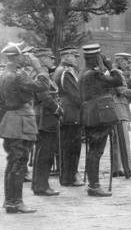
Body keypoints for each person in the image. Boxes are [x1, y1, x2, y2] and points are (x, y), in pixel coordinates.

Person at [0, 42, 53, 213]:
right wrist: (38, 67)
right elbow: (44, 85)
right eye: (24, 54)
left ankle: (10, 200)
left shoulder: (5, 73)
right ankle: (15, 202)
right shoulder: (18, 75)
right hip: (21, 122)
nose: (27, 57)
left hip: (10, 121)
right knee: (19, 163)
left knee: (13, 162)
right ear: (16, 57)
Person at [79, 44, 125, 197]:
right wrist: (110, 65)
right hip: (99, 117)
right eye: (100, 58)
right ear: (96, 59)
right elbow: (118, 80)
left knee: (93, 151)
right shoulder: (95, 75)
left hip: (91, 116)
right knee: (96, 152)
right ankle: (94, 186)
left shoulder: (84, 72)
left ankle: (93, 185)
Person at [31, 48, 64, 196]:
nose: (53, 61)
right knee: (45, 153)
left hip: (46, 117)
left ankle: (40, 185)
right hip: (46, 117)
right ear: (42, 59)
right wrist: (58, 109)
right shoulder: (40, 75)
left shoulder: (42, 74)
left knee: (44, 152)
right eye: (50, 58)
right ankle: (41, 186)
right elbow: (44, 96)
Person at [53, 46, 85, 187]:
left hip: (67, 112)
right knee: (72, 146)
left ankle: (67, 176)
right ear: (66, 57)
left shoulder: (60, 70)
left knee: (67, 146)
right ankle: (70, 177)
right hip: (71, 113)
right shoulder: (66, 72)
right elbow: (76, 95)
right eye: (74, 56)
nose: (77, 58)